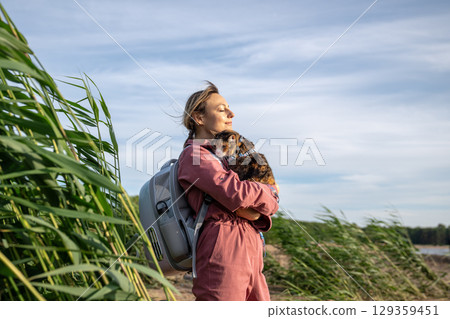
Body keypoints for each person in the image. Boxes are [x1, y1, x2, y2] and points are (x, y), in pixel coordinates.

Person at [177, 81, 279, 301]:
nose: (231, 113)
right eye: (222, 109)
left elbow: (261, 207)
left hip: (251, 243)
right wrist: (268, 194)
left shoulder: (227, 157)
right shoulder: (194, 156)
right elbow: (237, 194)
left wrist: (261, 204)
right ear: (199, 118)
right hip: (223, 243)